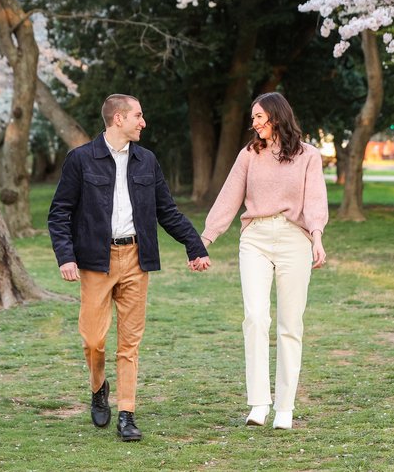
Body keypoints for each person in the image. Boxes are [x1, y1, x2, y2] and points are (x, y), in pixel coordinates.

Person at [48, 94, 211, 442]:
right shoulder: (80, 160)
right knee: (93, 340)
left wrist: (194, 246)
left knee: (130, 344)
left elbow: (166, 211)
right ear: (118, 118)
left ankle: (127, 413)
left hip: (137, 259)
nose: (143, 122)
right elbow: (59, 212)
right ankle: (98, 387)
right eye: (138, 115)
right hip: (95, 261)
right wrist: (66, 256)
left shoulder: (147, 161)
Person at [201, 92, 328, 430]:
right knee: (255, 318)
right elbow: (229, 195)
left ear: (276, 116)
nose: (254, 123)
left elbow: (315, 200)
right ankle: (259, 402)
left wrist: (317, 237)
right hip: (255, 237)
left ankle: (285, 407)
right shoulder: (249, 154)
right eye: (253, 118)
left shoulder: (308, 156)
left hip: (293, 239)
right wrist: (206, 238)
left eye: (259, 117)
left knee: (291, 324)